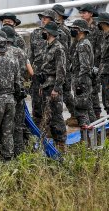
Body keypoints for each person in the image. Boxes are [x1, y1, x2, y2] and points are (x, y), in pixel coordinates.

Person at [0, 27, 33, 157]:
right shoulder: (21, 52)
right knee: (18, 124)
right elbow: (29, 72)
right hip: (19, 91)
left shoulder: (1, 53)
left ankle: (6, 153)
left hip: (3, 93)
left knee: (4, 125)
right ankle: (19, 153)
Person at [37, 21, 68, 150]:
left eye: (44, 31)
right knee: (47, 115)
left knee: (56, 116)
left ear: (49, 32)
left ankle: (61, 144)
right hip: (45, 85)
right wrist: (41, 86)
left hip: (53, 87)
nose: (42, 33)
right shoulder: (47, 46)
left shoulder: (58, 48)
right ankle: (48, 145)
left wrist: (56, 88)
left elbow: (61, 71)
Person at [67, 19, 95, 127]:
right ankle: (95, 132)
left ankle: (87, 136)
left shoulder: (83, 45)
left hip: (81, 83)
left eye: (75, 29)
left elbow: (85, 67)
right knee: (88, 107)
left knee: (81, 110)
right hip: (83, 82)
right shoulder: (81, 43)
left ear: (82, 31)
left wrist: (79, 84)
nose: (73, 31)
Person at [79, 4, 103, 119]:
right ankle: (88, 114)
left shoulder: (97, 29)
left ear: (91, 14)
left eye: (84, 13)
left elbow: (100, 48)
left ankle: (97, 114)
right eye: (81, 13)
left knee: (94, 90)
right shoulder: (81, 28)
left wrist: (97, 66)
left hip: (95, 63)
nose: (82, 15)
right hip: (84, 63)